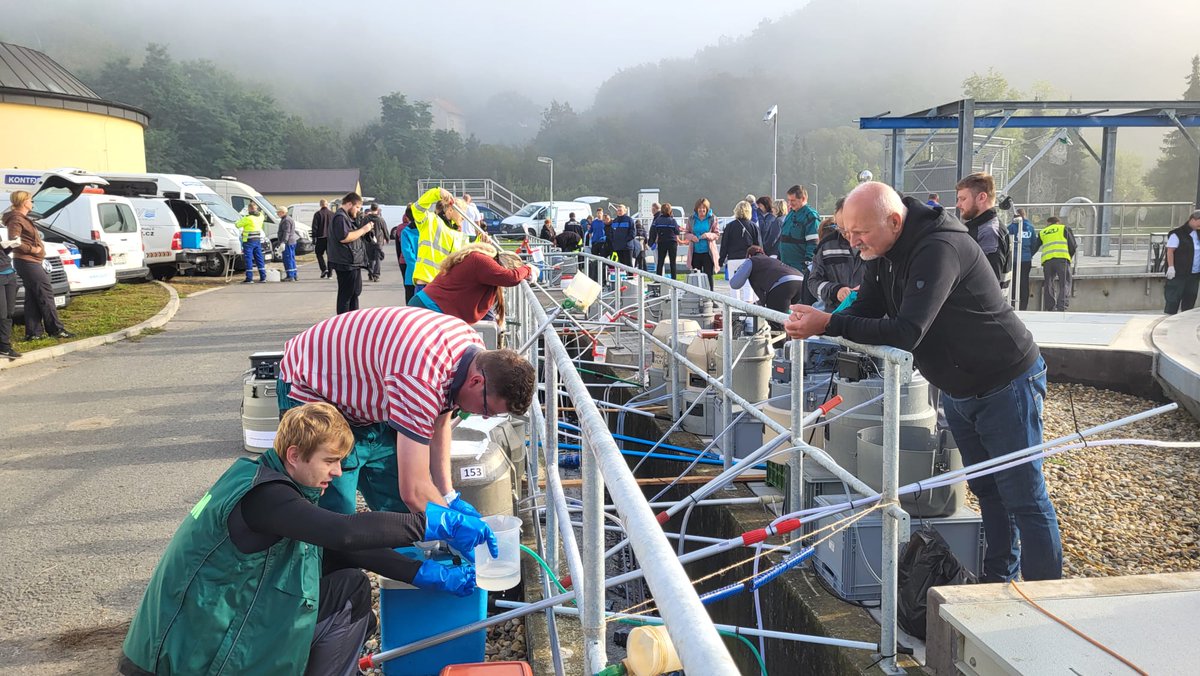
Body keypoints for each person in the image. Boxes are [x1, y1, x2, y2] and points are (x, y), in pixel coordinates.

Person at [784, 182, 1060, 583]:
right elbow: (867, 309)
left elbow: (906, 331)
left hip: (1007, 381)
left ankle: (1047, 600)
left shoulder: (938, 248)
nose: (852, 241)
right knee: (987, 490)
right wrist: (825, 318)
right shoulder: (882, 250)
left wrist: (828, 323)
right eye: (847, 232)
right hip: (960, 388)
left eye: (859, 233)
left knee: (1025, 497)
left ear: (894, 221)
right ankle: (1000, 581)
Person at [118, 402, 494, 676]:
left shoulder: (267, 479)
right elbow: (345, 532)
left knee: (349, 587)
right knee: (348, 593)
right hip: (178, 657)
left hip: (199, 631)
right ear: (295, 455)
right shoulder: (265, 497)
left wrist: (421, 573)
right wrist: (433, 523)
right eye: (330, 460)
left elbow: (338, 548)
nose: (338, 471)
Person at [277, 307, 536, 516]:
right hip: (311, 383)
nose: (484, 417)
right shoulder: (420, 380)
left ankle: (394, 565)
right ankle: (323, 573)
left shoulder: (472, 349)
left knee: (399, 507)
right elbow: (413, 490)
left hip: (368, 393)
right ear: (476, 381)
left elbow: (440, 422)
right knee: (334, 509)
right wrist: (452, 526)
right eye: (487, 409)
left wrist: (447, 495)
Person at [409, 242, 536, 325]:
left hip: (429, 307)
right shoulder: (480, 261)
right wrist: (529, 269)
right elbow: (510, 278)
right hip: (430, 308)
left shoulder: (476, 262)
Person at [2, 191, 70, 339]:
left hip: (31, 261)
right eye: (30, 200)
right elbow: (14, 240)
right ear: (24, 202)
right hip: (27, 261)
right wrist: (34, 249)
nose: (32, 203)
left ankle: (34, 332)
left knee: (33, 296)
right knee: (46, 294)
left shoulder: (22, 218)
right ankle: (56, 329)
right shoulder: (16, 219)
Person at [955, 172, 1012, 292]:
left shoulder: (989, 233)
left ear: (982, 197)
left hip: (978, 309)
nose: (958, 205)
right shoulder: (982, 229)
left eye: (963, 199)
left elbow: (987, 286)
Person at [807, 198, 865, 311]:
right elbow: (813, 282)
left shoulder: (877, 245)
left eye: (852, 230)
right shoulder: (826, 247)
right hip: (836, 315)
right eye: (841, 230)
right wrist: (836, 291)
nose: (848, 236)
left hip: (871, 319)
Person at [326, 193, 373, 314]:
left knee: (354, 293)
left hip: (352, 261)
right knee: (346, 295)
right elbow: (344, 237)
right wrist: (363, 230)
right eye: (357, 207)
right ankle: (343, 324)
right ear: (349, 204)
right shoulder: (340, 217)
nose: (358, 211)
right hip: (345, 262)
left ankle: (353, 321)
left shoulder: (346, 217)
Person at [411, 188, 465, 290]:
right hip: (426, 283)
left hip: (444, 287)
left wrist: (482, 240)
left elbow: (468, 250)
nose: (464, 218)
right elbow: (417, 208)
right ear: (450, 210)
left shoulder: (457, 233)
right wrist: (437, 192)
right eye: (463, 213)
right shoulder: (430, 221)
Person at [729, 245, 806, 315]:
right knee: (796, 319)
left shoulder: (751, 260)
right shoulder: (773, 261)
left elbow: (735, 284)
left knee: (776, 322)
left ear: (749, 255)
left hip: (782, 285)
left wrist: (741, 269)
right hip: (801, 281)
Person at [1031, 216, 1077, 312]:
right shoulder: (1064, 228)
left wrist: (1028, 257)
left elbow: (1034, 247)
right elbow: (1073, 245)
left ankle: (1050, 307)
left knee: (1049, 283)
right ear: (1058, 222)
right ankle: (1061, 306)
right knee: (1065, 283)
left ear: (1048, 223)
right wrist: (1069, 257)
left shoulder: (1043, 232)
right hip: (1062, 259)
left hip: (1048, 261)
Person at [719, 200, 761, 302]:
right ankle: (748, 305)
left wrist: (721, 259)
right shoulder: (753, 226)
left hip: (733, 259)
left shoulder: (729, 226)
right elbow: (758, 245)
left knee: (733, 284)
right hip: (747, 259)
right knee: (748, 284)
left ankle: (734, 306)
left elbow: (724, 244)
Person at [1163, 209, 1200, 314]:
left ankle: (1185, 318)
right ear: (1193, 220)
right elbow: (1170, 251)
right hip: (1179, 272)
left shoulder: (1198, 234)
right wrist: (1171, 267)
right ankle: (1169, 317)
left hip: (1194, 274)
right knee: (1173, 297)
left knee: (1191, 296)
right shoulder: (1178, 234)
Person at [780, 184, 821, 270]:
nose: (790, 203)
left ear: (803, 199)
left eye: (793, 200)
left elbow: (814, 243)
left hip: (800, 267)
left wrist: (808, 263)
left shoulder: (810, 216)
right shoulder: (790, 214)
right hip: (785, 265)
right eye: (789, 200)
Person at [683, 197, 720, 291]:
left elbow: (716, 234)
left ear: (707, 209)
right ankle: (697, 298)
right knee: (695, 276)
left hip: (708, 252)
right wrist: (692, 237)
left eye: (704, 208)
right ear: (696, 208)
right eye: (700, 208)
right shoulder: (691, 219)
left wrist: (708, 235)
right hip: (695, 252)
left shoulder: (712, 218)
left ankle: (711, 298)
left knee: (709, 276)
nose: (702, 210)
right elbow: (686, 233)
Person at [1008, 209, 1035, 310]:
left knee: (1014, 281)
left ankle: (1013, 304)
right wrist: (1029, 254)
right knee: (1024, 282)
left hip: (1014, 259)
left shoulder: (1011, 228)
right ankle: (1024, 306)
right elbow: (1034, 244)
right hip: (1026, 259)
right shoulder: (1031, 228)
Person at [237, 202, 268, 284]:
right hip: (257, 240)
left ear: (249, 209)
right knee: (259, 259)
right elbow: (261, 213)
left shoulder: (248, 218)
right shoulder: (260, 217)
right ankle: (263, 277)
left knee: (248, 259)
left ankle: (249, 278)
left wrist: (243, 216)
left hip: (248, 241)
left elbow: (237, 225)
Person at [0, 229, 19, 359]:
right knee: (1, 313)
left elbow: (3, 252)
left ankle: (4, 345)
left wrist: (10, 246)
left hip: (9, 272)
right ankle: (4, 346)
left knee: (9, 312)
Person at [651, 202, 681, 279]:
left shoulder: (657, 220)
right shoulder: (672, 221)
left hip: (662, 241)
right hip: (672, 242)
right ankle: (674, 279)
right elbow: (677, 232)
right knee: (672, 262)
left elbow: (654, 230)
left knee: (660, 262)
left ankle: (658, 280)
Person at [363, 204, 390, 283]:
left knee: (370, 258)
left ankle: (370, 273)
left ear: (370, 209)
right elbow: (385, 229)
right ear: (377, 209)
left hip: (368, 241)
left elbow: (361, 228)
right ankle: (376, 275)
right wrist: (387, 238)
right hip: (378, 241)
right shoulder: (380, 219)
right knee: (377, 259)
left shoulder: (366, 218)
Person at [586, 208, 608, 282]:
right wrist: (591, 238)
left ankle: (603, 279)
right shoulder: (594, 222)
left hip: (603, 243)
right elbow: (590, 231)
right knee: (594, 261)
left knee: (603, 261)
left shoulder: (604, 222)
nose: (599, 214)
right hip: (595, 243)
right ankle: (594, 278)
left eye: (600, 213)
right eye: (598, 213)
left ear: (602, 213)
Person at [312, 199, 333, 279]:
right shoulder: (332, 214)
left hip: (320, 237)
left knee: (319, 254)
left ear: (320, 205)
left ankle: (324, 269)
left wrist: (314, 237)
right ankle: (330, 274)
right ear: (327, 204)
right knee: (330, 255)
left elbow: (315, 227)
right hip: (330, 238)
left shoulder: (317, 214)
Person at [277, 207, 299, 282]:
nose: (277, 214)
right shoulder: (287, 219)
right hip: (291, 242)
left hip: (288, 242)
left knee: (288, 259)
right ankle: (294, 274)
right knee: (291, 258)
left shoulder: (286, 220)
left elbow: (286, 232)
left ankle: (290, 276)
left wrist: (283, 242)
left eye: (278, 212)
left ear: (283, 212)